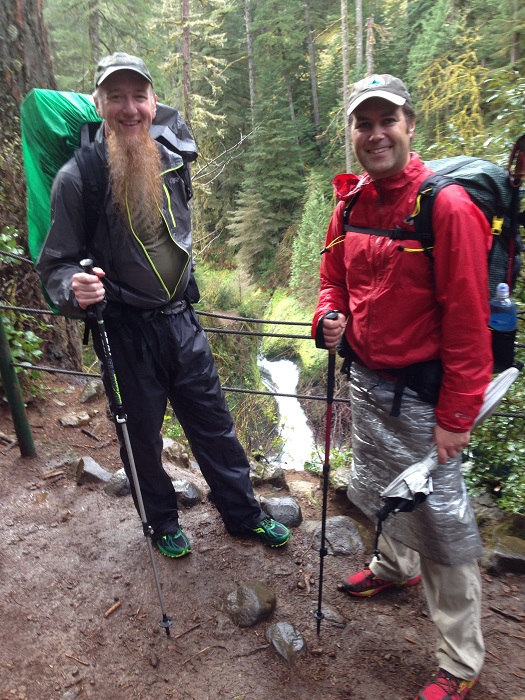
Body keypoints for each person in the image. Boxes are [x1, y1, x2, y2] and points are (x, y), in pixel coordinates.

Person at [37, 51, 290, 559]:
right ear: (98, 104)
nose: (129, 108)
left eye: (138, 96)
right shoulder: (77, 178)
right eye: (116, 97)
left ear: (154, 101)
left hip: (182, 321)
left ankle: (243, 515)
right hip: (125, 331)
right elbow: (55, 266)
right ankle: (161, 523)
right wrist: (75, 288)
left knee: (214, 424)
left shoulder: (171, 157)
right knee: (142, 439)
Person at [312, 74, 492, 700]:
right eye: (364, 123)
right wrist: (327, 318)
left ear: (410, 126)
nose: (375, 133)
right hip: (368, 380)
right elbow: (332, 276)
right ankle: (393, 568)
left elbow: (469, 322)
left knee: (442, 523)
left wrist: (457, 415)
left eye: (387, 120)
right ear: (353, 134)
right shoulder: (350, 204)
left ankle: (461, 659)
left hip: (425, 395)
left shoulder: (448, 208)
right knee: (379, 483)